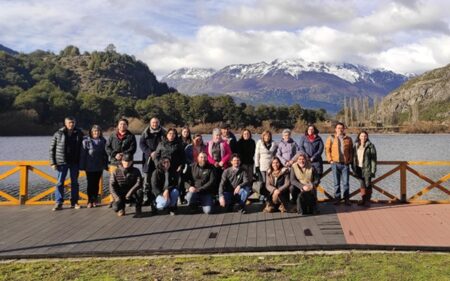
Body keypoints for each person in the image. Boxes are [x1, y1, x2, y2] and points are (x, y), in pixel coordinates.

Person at [49, 116, 84, 211]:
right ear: (65, 123)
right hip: (62, 162)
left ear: (75, 123)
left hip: (75, 162)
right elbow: (52, 149)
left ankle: (74, 202)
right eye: (69, 122)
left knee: (75, 183)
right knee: (60, 183)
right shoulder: (58, 133)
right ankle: (59, 202)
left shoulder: (79, 133)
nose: (71, 124)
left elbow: (83, 148)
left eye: (73, 122)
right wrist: (52, 163)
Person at [106, 118, 137, 207]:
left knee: (127, 181)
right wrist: (115, 154)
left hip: (127, 163)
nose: (122, 126)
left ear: (127, 125)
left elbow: (133, 148)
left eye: (124, 124)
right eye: (120, 124)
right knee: (113, 182)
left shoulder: (131, 136)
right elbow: (107, 147)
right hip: (114, 162)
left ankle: (127, 199)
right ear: (118, 125)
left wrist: (124, 155)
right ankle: (113, 200)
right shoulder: (112, 135)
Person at [153, 128, 186, 203]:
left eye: (173, 134)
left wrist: (181, 165)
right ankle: (161, 198)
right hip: (163, 168)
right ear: (167, 135)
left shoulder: (179, 144)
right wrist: (158, 166)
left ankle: (176, 201)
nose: (172, 135)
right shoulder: (161, 144)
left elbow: (183, 157)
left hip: (175, 168)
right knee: (163, 183)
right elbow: (156, 156)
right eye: (170, 134)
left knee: (177, 184)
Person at [79, 125, 108, 208]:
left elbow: (105, 155)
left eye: (98, 131)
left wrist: (105, 165)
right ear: (91, 132)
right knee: (90, 184)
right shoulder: (86, 141)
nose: (96, 132)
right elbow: (83, 154)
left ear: (100, 132)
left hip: (99, 166)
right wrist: (82, 166)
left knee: (96, 184)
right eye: (94, 131)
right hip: (89, 166)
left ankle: (94, 200)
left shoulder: (103, 141)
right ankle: (89, 201)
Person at [325, 122, 354, 206]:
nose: (340, 129)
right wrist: (330, 160)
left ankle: (346, 199)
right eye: (338, 128)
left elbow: (351, 151)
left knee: (346, 183)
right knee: (336, 183)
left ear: (344, 129)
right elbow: (327, 150)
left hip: (345, 164)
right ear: (335, 129)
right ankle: (337, 199)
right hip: (335, 163)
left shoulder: (348, 139)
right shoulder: (331, 138)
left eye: (342, 128)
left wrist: (350, 160)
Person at [139, 117, 166, 207]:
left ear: (159, 123)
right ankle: (146, 198)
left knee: (159, 179)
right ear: (150, 123)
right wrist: (150, 152)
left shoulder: (163, 132)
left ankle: (158, 197)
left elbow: (166, 143)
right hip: (148, 159)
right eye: (153, 122)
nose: (155, 124)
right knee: (147, 180)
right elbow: (141, 144)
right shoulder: (145, 132)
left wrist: (157, 152)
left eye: (156, 122)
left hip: (159, 159)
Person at [352, 131, 377, 206]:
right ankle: (363, 200)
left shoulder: (370, 146)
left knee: (368, 184)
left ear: (367, 137)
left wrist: (373, 170)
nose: (363, 137)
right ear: (359, 136)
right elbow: (353, 157)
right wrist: (353, 167)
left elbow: (374, 159)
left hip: (367, 168)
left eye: (365, 136)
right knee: (362, 184)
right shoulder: (356, 145)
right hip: (358, 168)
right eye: (362, 136)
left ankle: (367, 201)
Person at [254, 130, 277, 194]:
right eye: (265, 136)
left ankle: (270, 195)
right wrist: (257, 166)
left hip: (271, 166)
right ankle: (263, 196)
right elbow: (257, 155)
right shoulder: (259, 142)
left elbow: (276, 155)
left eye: (268, 136)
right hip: (262, 166)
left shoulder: (274, 143)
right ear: (263, 136)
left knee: (270, 182)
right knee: (263, 181)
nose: (267, 137)